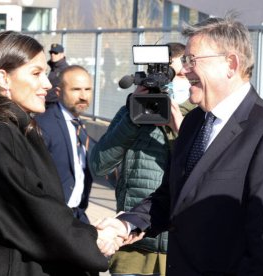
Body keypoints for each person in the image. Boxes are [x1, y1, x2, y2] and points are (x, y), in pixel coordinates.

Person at [97, 13, 263, 276]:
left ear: (231, 63)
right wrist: (126, 224)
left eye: (192, 60)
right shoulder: (195, 121)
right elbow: (171, 197)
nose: (183, 70)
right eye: (184, 60)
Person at [0, 31, 119, 276]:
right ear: (3, 78)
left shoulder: (11, 128)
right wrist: (93, 239)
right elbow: (33, 209)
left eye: (45, 73)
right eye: (36, 73)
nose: (47, 84)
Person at [89, 42, 194, 276]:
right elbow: (98, 164)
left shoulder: (201, 118)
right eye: (160, 75)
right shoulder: (132, 114)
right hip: (132, 245)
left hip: (179, 248)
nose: (167, 83)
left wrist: (179, 129)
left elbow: (202, 172)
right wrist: (132, 118)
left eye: (174, 74)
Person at [35, 65, 95, 224]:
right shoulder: (43, 126)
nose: (83, 96)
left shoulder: (80, 125)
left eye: (88, 89)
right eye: (76, 89)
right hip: (52, 220)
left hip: (78, 216)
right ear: (58, 92)